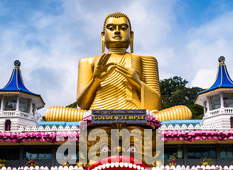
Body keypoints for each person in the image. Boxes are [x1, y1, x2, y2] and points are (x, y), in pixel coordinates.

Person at [44, 12, 192, 122]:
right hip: (96, 115)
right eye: (111, 28)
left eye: (122, 28)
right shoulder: (87, 62)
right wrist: (96, 80)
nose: (117, 31)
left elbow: (156, 106)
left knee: (184, 112)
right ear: (103, 35)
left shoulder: (146, 60)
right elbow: (83, 104)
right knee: (51, 113)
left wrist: (137, 83)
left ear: (131, 35)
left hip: (136, 115)